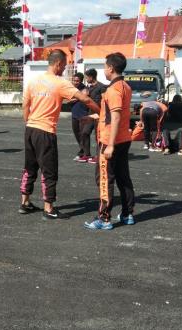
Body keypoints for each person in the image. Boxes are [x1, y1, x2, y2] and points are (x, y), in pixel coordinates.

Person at [20, 49, 100, 220]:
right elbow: (85, 99)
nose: (64, 69)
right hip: (45, 131)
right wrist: (102, 111)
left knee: (30, 167)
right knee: (49, 170)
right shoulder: (59, 82)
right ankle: (49, 208)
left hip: (30, 129)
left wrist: (29, 122)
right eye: (64, 65)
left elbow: (25, 105)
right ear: (57, 64)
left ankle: (25, 202)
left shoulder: (33, 81)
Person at [85, 52, 135, 231]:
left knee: (105, 179)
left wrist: (110, 145)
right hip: (123, 138)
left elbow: (115, 117)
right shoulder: (125, 86)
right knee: (123, 177)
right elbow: (113, 115)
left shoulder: (113, 90)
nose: (104, 70)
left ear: (111, 68)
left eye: (105, 66)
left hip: (110, 140)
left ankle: (104, 218)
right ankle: (128, 213)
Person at [81, 68, 107, 164]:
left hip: (99, 115)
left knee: (98, 136)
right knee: (85, 133)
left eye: (87, 77)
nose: (86, 79)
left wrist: (102, 114)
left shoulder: (102, 87)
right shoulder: (88, 88)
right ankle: (86, 154)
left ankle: (98, 156)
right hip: (90, 114)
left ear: (91, 77)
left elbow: (105, 101)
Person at [69, 72, 89, 162]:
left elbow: (85, 97)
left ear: (81, 81)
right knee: (77, 134)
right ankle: (82, 151)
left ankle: (85, 153)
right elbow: (66, 100)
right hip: (74, 114)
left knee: (83, 134)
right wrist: (79, 97)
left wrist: (74, 98)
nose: (75, 82)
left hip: (83, 115)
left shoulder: (85, 88)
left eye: (77, 81)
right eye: (74, 80)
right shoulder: (71, 89)